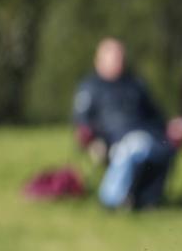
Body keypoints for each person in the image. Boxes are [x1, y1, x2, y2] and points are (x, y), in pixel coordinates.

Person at [73, 38, 174, 210]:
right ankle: (111, 199)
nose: (118, 62)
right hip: (113, 139)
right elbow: (82, 121)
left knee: (164, 148)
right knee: (134, 145)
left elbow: (156, 115)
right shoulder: (90, 87)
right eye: (113, 58)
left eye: (120, 57)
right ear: (99, 61)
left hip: (147, 136)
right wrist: (90, 140)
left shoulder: (135, 84)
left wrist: (171, 128)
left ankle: (145, 200)